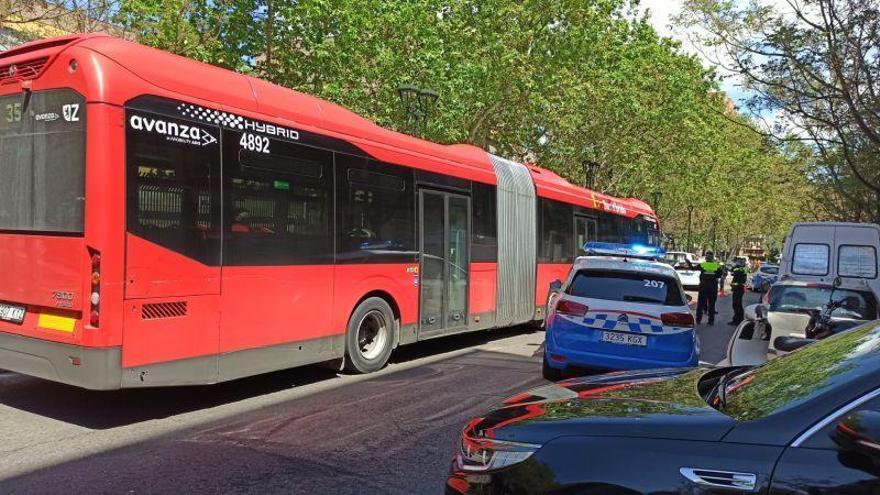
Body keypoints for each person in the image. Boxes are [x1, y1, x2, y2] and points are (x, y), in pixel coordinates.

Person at [690, 250, 722, 325]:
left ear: (706, 258)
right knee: (712, 304)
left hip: (704, 286)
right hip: (713, 287)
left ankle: (698, 319)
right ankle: (711, 321)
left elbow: (693, 268)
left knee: (700, 304)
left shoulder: (703, 265)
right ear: (712, 258)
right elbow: (719, 275)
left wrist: (688, 262)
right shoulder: (716, 266)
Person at [727, 259, 749, 325]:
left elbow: (736, 272)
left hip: (739, 289)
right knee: (735, 305)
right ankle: (736, 319)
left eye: (740, 262)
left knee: (737, 304)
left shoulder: (744, 269)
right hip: (736, 289)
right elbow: (732, 272)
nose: (738, 263)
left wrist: (736, 266)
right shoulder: (738, 268)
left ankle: (739, 320)